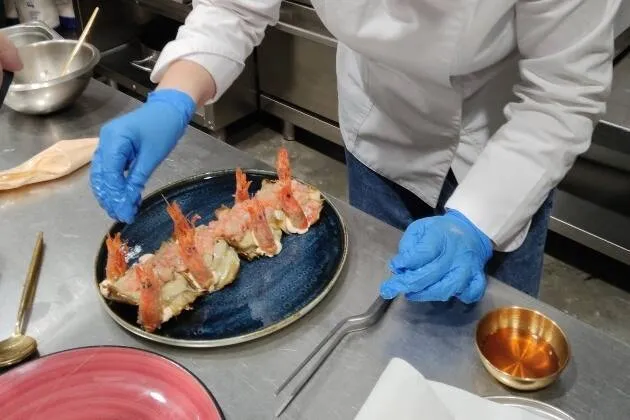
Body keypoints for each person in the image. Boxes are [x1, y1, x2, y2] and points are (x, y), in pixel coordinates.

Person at [90, 0, 621, 304]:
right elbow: (235, 6)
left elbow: (562, 94)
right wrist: (174, 96)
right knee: (377, 317)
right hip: (379, 123)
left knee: (486, 350)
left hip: (502, 153)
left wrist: (478, 222)